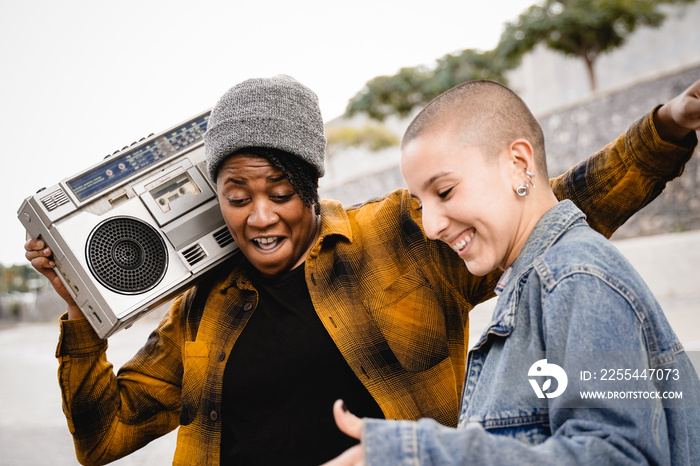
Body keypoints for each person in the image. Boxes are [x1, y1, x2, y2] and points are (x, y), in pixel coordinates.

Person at [24, 74, 698, 465]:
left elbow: (551, 205)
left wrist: (663, 131)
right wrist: (83, 311)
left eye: (281, 193)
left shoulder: (405, 233)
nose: (260, 217)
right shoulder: (201, 306)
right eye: (237, 198)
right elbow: (103, 433)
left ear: (314, 185)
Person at [326, 79, 700, 465]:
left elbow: (616, 456)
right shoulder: (537, 282)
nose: (431, 226)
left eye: (445, 192)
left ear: (519, 164)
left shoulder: (573, 278)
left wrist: (426, 453)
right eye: (422, 204)